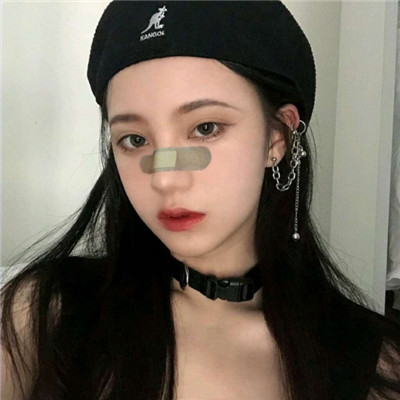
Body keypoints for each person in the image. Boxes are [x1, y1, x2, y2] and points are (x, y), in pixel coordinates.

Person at [1, 2, 400, 399]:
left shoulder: (373, 365)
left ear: (277, 137)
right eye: (135, 140)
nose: (165, 178)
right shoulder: (43, 313)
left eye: (205, 128)